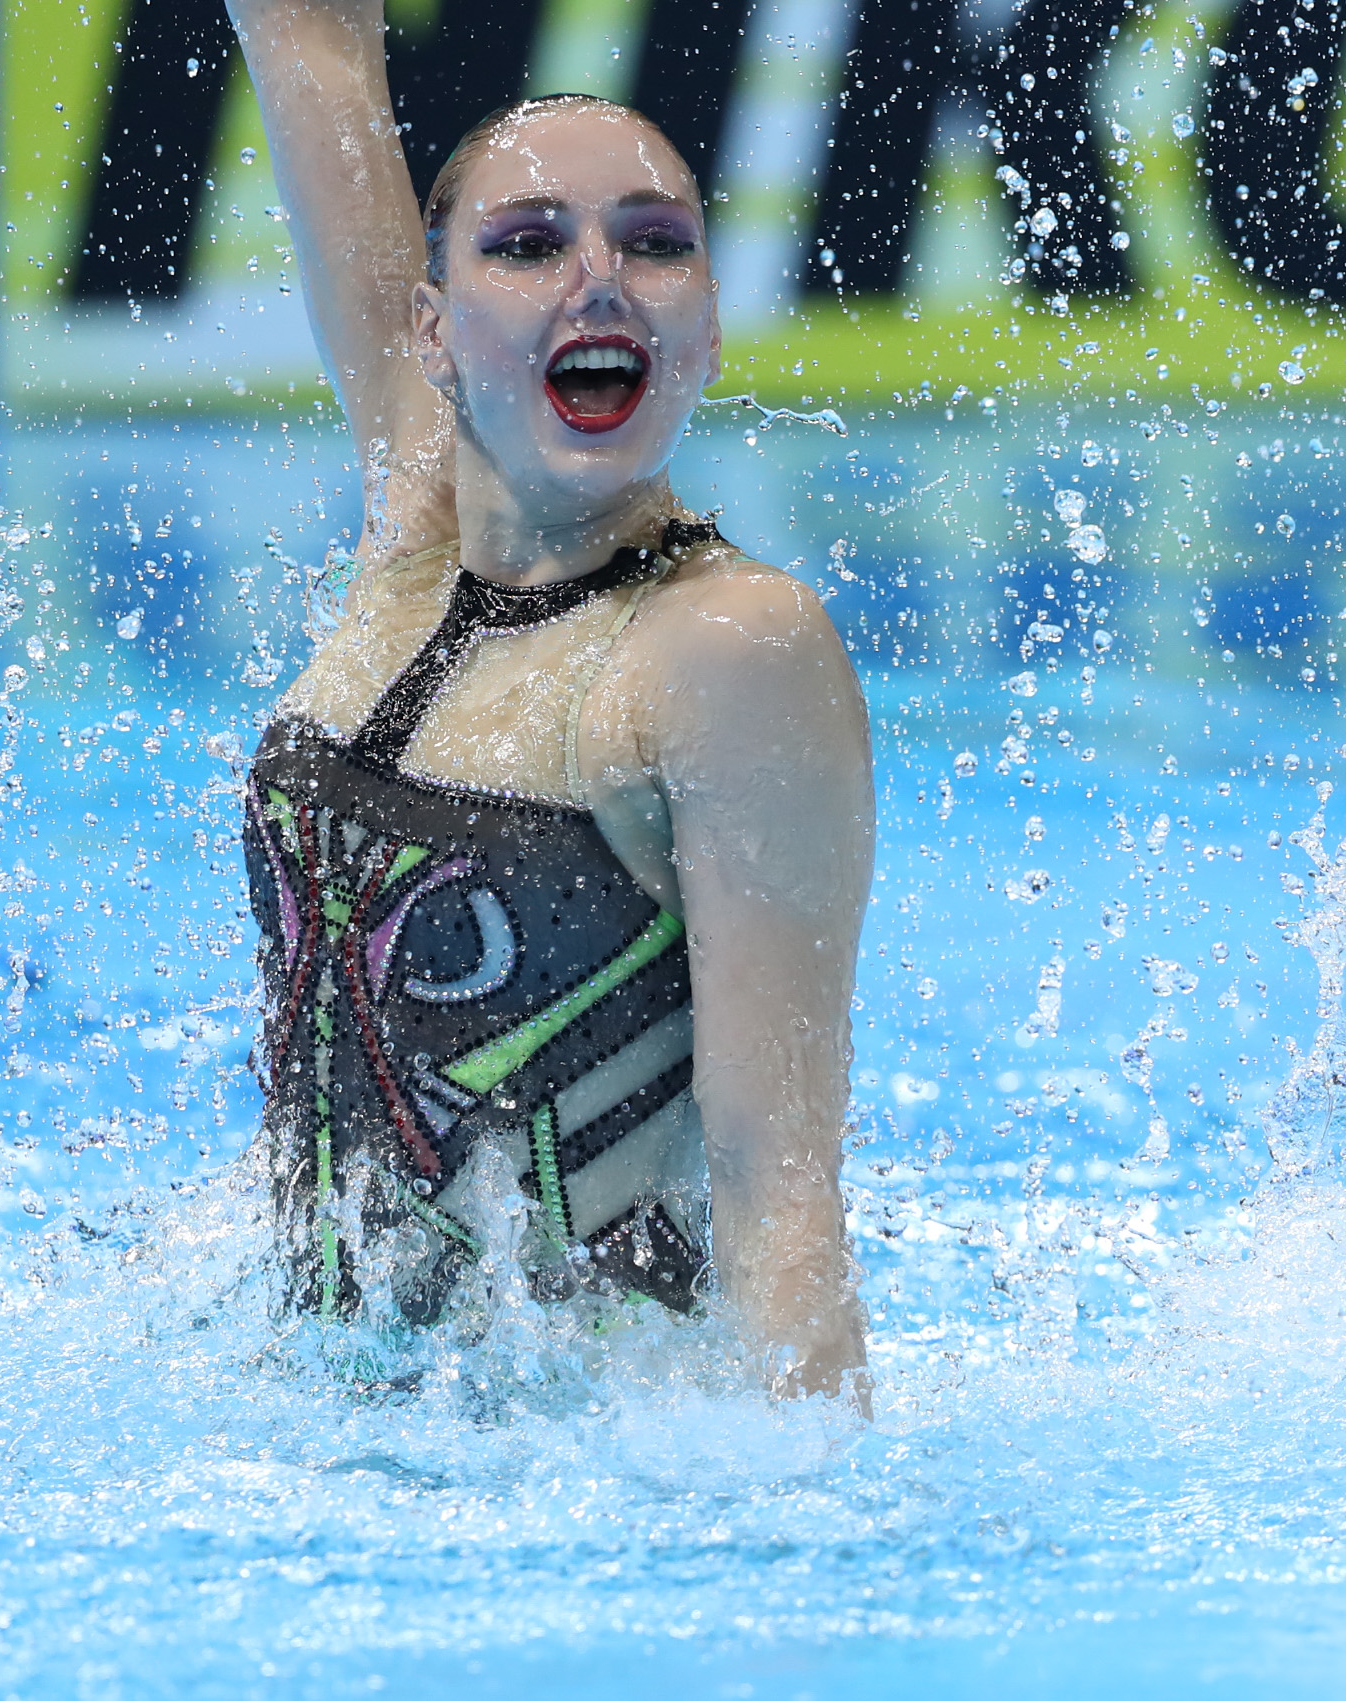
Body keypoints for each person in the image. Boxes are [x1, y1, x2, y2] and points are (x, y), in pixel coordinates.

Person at [224, 0, 875, 1400]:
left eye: (656, 244)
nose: (602, 279)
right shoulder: (414, 530)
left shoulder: (726, 648)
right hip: (324, 1419)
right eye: (528, 246)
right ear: (434, 331)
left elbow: (780, 1175)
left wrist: (814, 1538)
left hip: (585, 1456)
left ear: (704, 330)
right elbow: (305, 33)